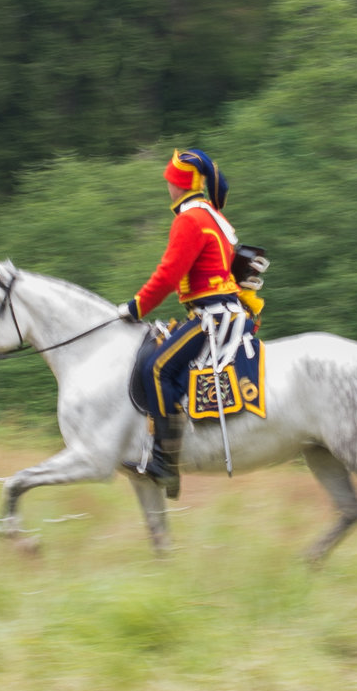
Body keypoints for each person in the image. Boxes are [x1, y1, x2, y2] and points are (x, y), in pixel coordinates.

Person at [116, 148, 249, 499]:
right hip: (221, 311)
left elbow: (168, 274)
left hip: (213, 317)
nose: (168, 189)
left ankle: (165, 463)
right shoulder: (211, 216)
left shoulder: (189, 220)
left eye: (170, 184)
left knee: (158, 368)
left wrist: (136, 306)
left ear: (181, 186)